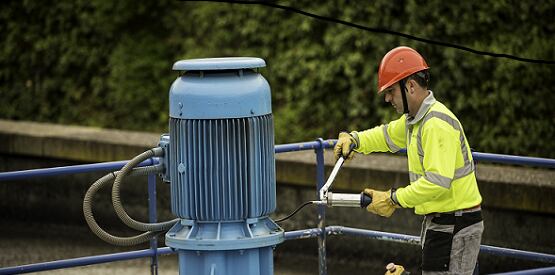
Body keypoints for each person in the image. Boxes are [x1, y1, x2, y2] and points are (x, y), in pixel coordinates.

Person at [334, 46, 483, 275]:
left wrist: (392, 199)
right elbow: (385, 136)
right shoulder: (415, 121)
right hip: (443, 221)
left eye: (391, 91)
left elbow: (436, 182)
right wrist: (355, 139)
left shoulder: (436, 124)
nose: (387, 98)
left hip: (456, 223)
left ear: (410, 86)